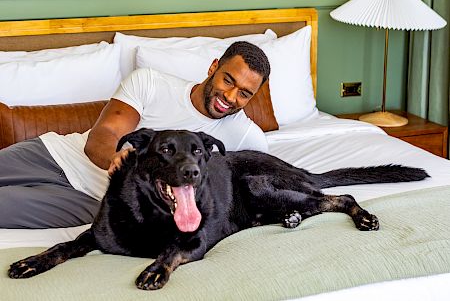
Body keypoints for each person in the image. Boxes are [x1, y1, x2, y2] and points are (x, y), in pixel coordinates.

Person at [0, 41, 271, 229]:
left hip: (89, 199)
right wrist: (119, 158)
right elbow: (102, 135)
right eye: (228, 80)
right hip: (56, 155)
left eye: (245, 93)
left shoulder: (248, 139)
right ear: (213, 67)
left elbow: (254, 194)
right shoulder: (150, 82)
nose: (231, 97)